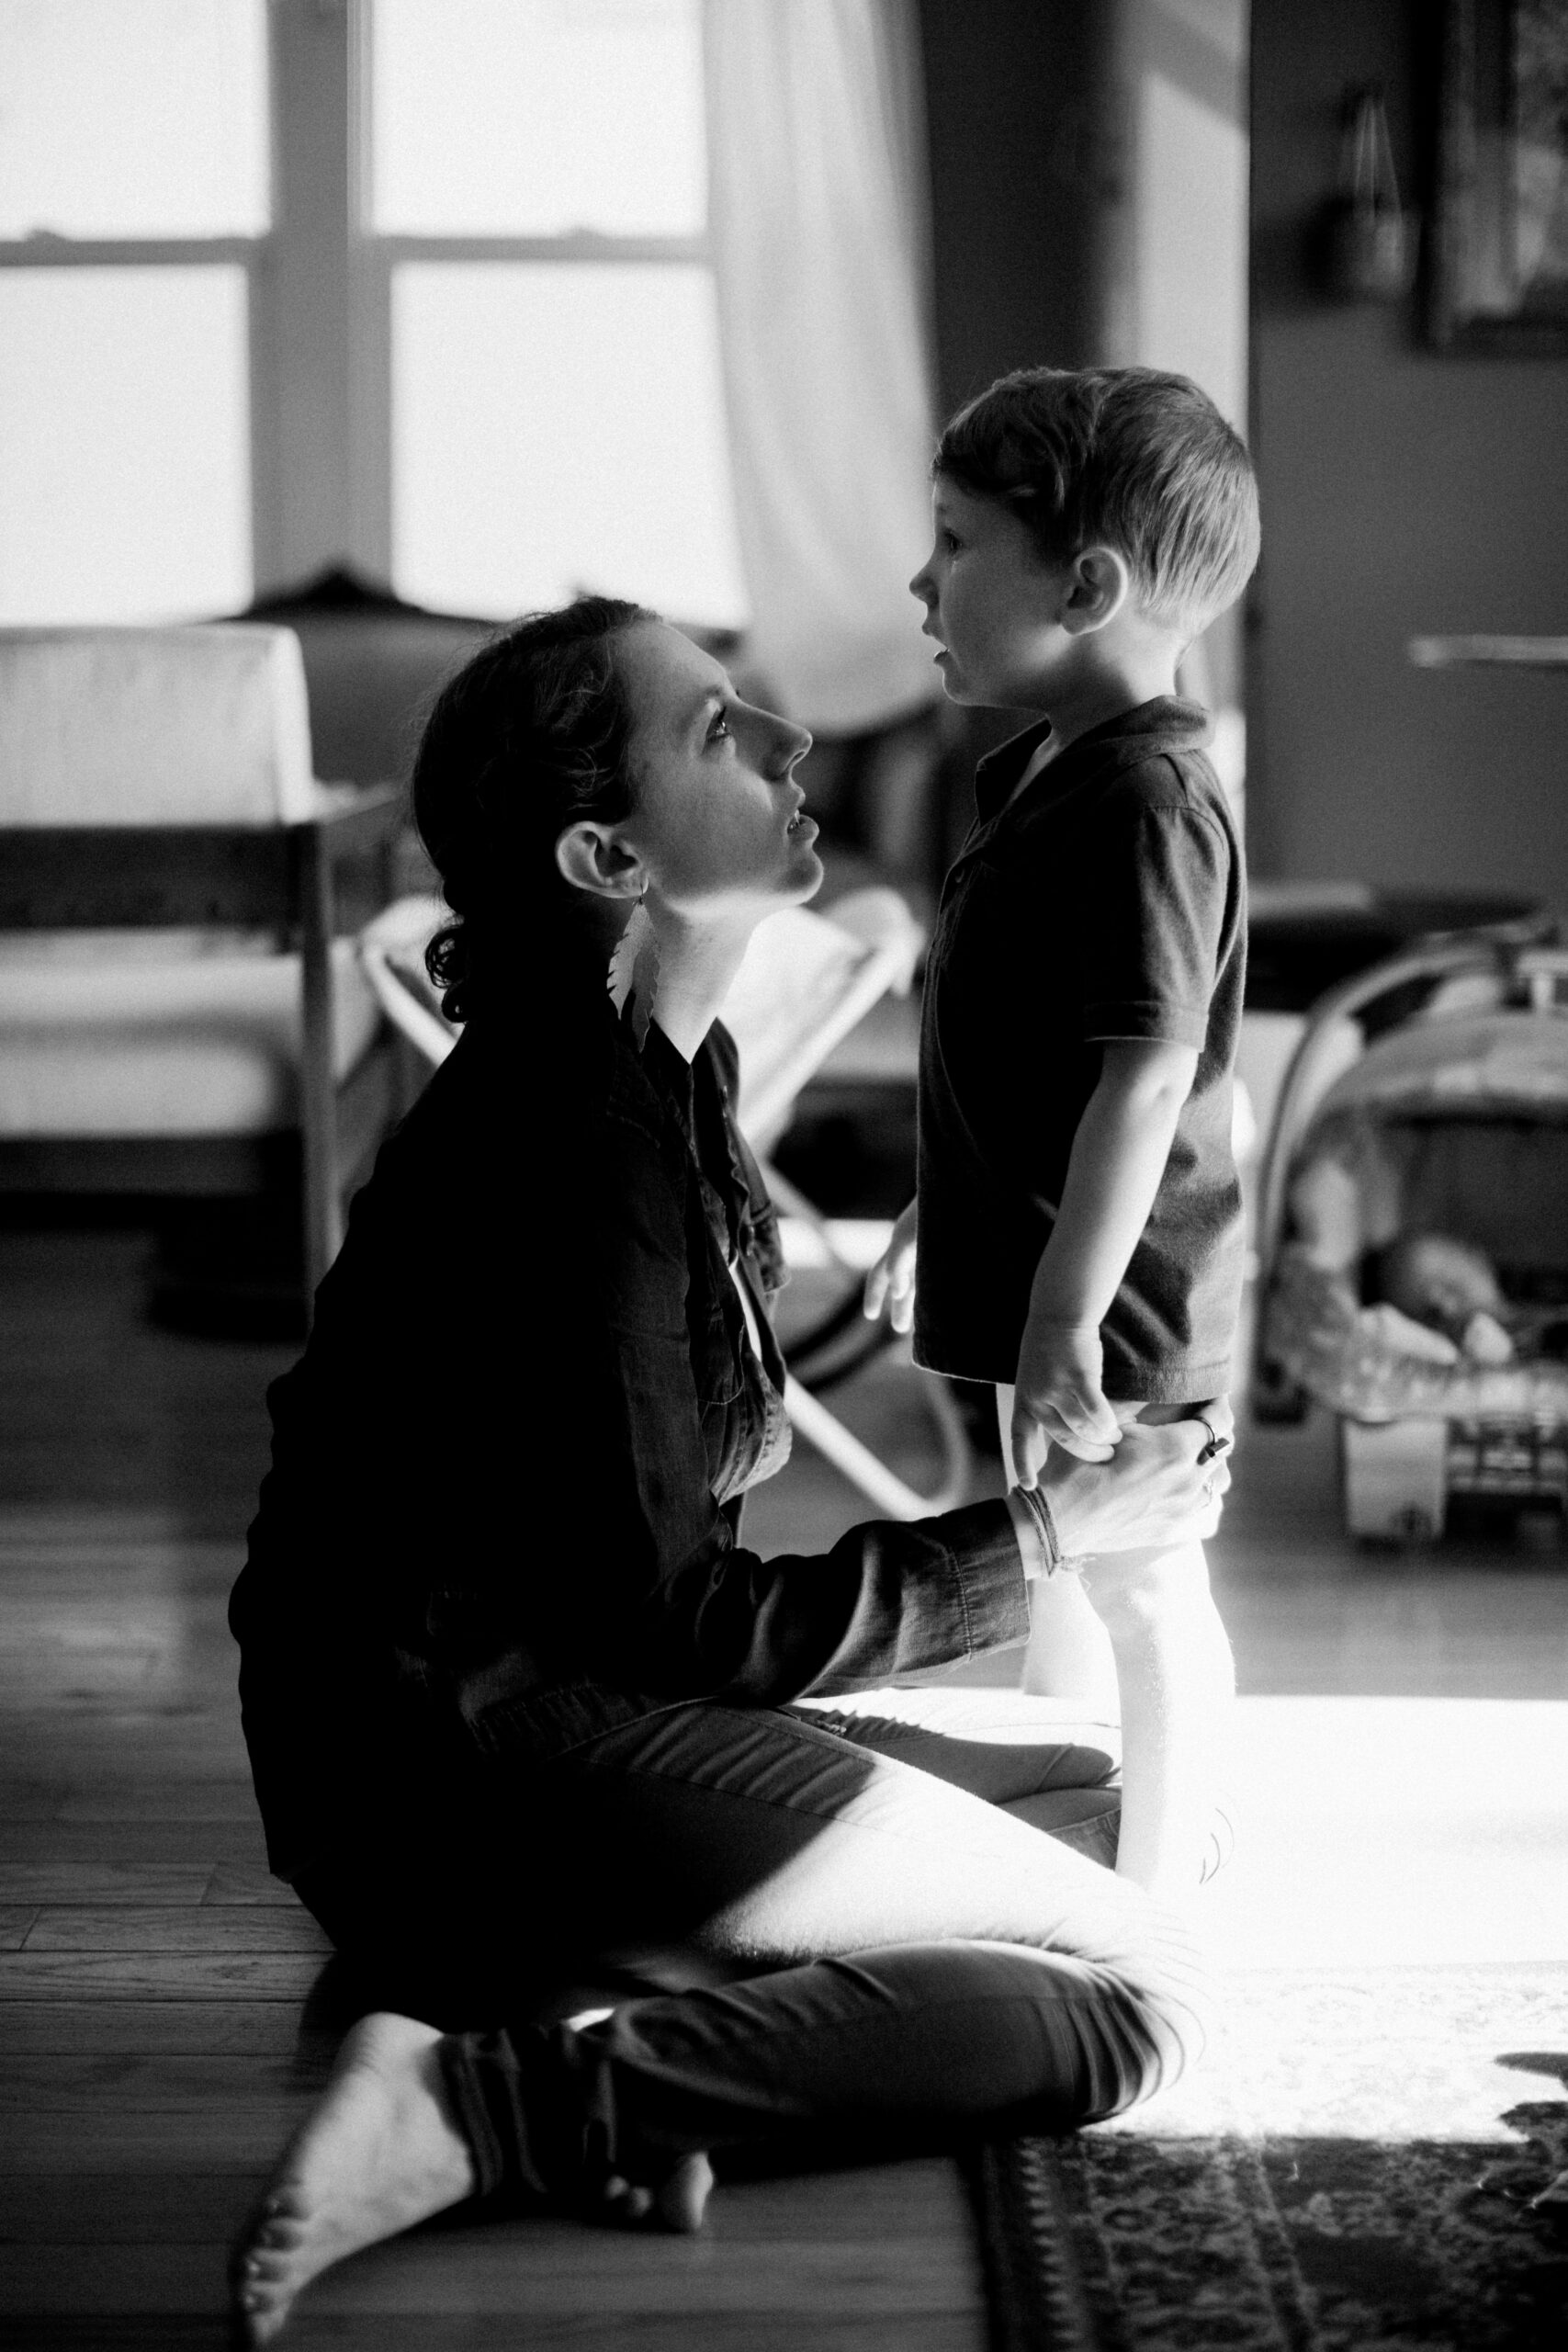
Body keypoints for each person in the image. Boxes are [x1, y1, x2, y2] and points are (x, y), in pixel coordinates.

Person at [228, 596, 1232, 2345]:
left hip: (532, 1707)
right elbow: (682, 1624)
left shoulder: (657, 1074)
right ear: (610, 854)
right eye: (717, 732)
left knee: (1096, 1793)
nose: (787, 740)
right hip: (454, 1767)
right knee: (1133, 1989)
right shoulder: (571, 1142)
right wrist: (1049, 1532)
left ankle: (555, 2007)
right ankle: (489, 2108)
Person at [867, 366, 1259, 1898]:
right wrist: (940, 1199)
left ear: (1087, 585)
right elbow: (1020, 1056)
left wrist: (1064, 1311)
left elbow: (1148, 1079)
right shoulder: (1043, 770)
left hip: (1122, 1293)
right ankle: (1068, 1811)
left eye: (957, 542)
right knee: (1064, 1547)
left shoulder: (1153, 798)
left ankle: (1150, 1900)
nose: (922, 578)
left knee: (1145, 1572)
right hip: (1058, 1274)